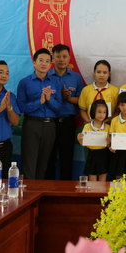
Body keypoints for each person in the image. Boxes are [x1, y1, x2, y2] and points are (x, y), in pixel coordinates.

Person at [17, 48, 63, 180]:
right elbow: (21, 107)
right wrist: (39, 102)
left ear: (50, 65)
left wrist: (49, 99)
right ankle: (28, 191)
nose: (44, 63)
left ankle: (39, 191)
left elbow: (59, 108)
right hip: (32, 124)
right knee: (29, 163)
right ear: (34, 62)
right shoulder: (25, 82)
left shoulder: (56, 82)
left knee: (44, 164)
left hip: (50, 126)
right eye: (41, 60)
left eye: (47, 61)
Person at [46, 44, 84, 180]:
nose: (61, 59)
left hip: (67, 123)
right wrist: (58, 96)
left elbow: (82, 100)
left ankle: (65, 188)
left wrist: (69, 98)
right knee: (48, 159)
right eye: (58, 56)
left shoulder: (76, 78)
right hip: (49, 123)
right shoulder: (46, 76)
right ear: (53, 58)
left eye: (64, 56)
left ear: (69, 58)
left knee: (66, 159)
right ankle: (48, 189)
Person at [77, 99, 110, 181]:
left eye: (104, 112)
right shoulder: (87, 127)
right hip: (91, 154)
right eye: (99, 112)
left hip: (104, 155)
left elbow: (109, 144)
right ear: (93, 112)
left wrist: (109, 142)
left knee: (103, 177)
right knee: (92, 178)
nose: (102, 115)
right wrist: (79, 139)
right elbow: (84, 144)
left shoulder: (108, 127)